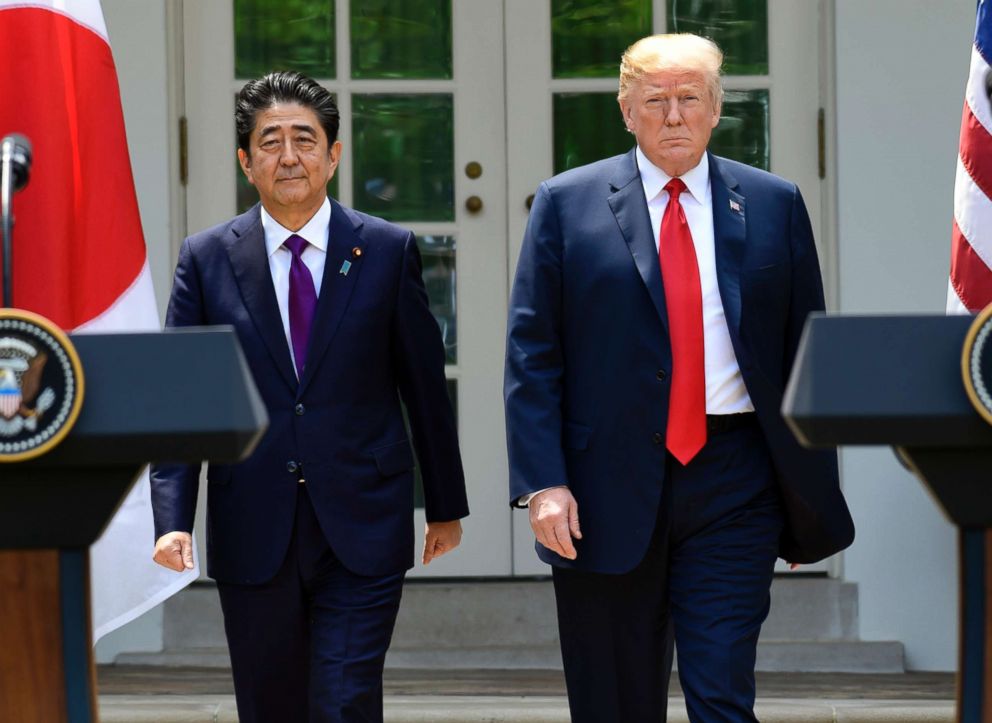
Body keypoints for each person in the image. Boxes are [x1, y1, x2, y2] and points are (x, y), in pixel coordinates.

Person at [504, 34, 854, 722]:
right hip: (603, 484)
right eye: (655, 100)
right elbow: (533, 353)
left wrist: (807, 494)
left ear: (716, 108)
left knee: (722, 691)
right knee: (613, 702)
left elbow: (805, 355)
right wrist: (543, 482)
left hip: (736, 481)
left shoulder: (773, 203)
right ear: (625, 110)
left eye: (689, 98)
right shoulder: (564, 204)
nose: (673, 116)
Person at [150, 71, 469, 723]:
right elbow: (181, 395)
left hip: (363, 517)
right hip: (253, 521)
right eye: (270, 141)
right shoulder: (207, 258)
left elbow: (424, 387)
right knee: (271, 705)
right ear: (245, 160)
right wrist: (173, 516)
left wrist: (444, 505)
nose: (288, 156)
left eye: (305, 138)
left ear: (334, 154)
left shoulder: (384, 249)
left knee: (343, 700)